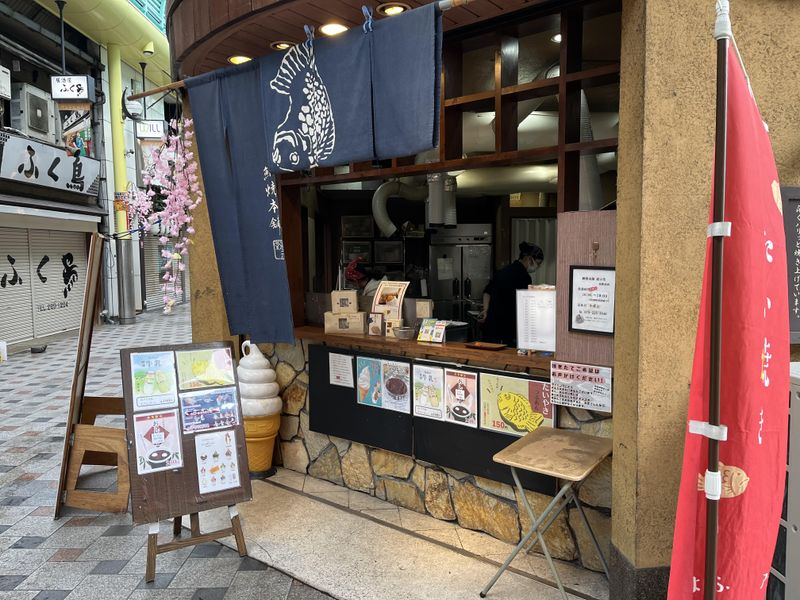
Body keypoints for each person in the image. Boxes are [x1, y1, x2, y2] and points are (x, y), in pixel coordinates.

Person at [478, 242, 544, 345]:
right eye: (538, 263)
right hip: (506, 330)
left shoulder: (502, 271)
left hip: (491, 329)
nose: (538, 267)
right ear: (529, 259)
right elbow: (524, 306)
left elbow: (487, 292)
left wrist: (486, 310)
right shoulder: (524, 277)